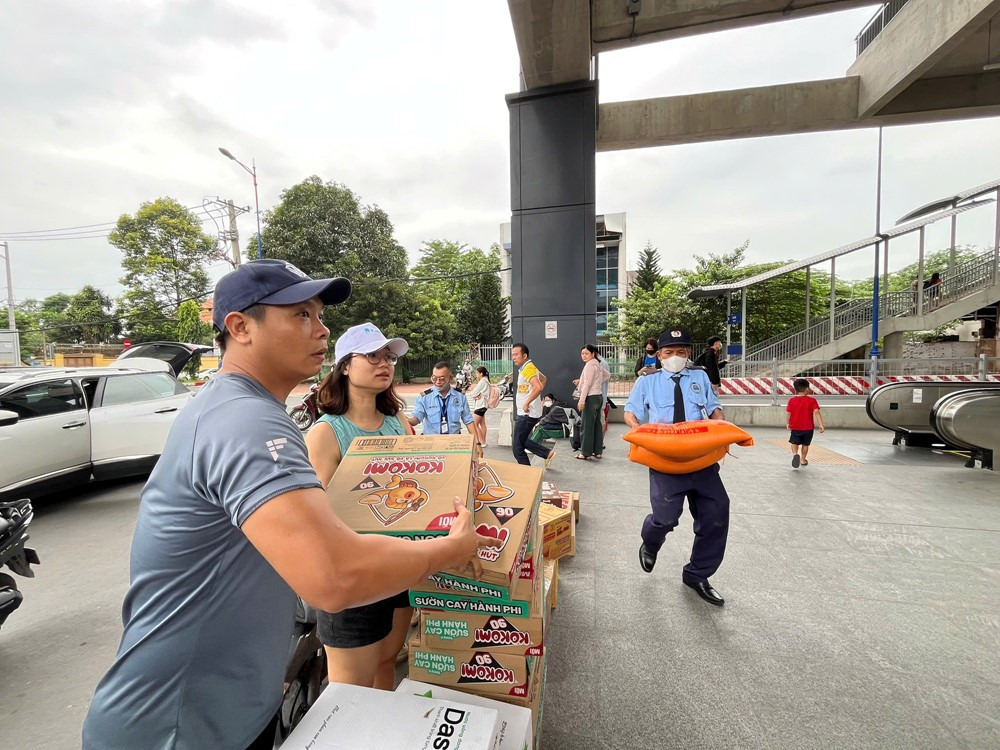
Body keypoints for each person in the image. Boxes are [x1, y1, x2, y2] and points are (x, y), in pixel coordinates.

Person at [82, 260, 494, 750]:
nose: (320, 329)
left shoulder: (242, 409)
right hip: (179, 724)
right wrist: (449, 550)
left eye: (320, 315)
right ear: (239, 327)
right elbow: (334, 576)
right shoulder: (247, 420)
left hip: (221, 711)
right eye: (300, 314)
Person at [304, 323, 416, 690]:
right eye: (371, 356)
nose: (384, 363)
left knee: (387, 662)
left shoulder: (399, 422)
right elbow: (318, 515)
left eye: (389, 356)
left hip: (398, 563)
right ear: (345, 367)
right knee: (350, 691)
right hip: (353, 574)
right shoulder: (326, 432)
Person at [624, 326, 730, 607]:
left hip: (700, 456)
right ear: (659, 355)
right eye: (669, 352)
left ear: (688, 354)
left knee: (716, 513)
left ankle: (697, 574)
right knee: (666, 517)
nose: (675, 356)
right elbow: (631, 411)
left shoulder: (699, 376)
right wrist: (637, 431)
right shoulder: (648, 381)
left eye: (680, 352)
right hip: (665, 457)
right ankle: (651, 541)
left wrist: (721, 426)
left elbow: (714, 406)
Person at [407, 362, 478, 448]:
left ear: (450, 378)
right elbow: (416, 418)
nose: (437, 382)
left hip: (453, 444)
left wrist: (477, 444)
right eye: (434, 378)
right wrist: (408, 420)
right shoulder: (424, 397)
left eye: (442, 379)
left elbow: (468, 420)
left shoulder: (460, 396)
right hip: (431, 444)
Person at [511, 342, 556, 467]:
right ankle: (547, 453)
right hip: (528, 412)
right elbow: (544, 379)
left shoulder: (528, 368)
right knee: (522, 441)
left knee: (517, 448)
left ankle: (527, 476)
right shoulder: (528, 367)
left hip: (526, 413)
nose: (513, 357)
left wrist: (527, 402)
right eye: (512, 355)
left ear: (524, 356)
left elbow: (538, 386)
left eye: (516, 355)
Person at [574, 344, 610, 460]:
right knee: (596, 424)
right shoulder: (598, 364)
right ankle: (597, 451)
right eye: (582, 354)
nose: (584, 356)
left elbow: (587, 385)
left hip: (590, 398)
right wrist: (597, 383)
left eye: (586, 353)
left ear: (592, 354)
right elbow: (607, 375)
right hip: (598, 396)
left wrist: (581, 400)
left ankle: (585, 452)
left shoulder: (589, 365)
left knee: (587, 425)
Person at [786, 378, 824, 468]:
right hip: (808, 428)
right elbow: (817, 412)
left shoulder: (792, 400)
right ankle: (803, 460)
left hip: (795, 426)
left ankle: (795, 454)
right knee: (805, 444)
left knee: (794, 442)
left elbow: (788, 413)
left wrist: (788, 423)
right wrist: (821, 424)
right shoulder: (812, 400)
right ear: (807, 389)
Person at [467, 365, 492, 448]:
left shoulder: (482, 382)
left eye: (477, 373)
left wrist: (474, 394)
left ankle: (481, 442)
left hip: (480, 405)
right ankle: (483, 441)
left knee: (474, 424)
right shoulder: (486, 380)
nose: (476, 375)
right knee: (482, 424)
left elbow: (473, 393)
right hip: (484, 405)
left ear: (481, 373)